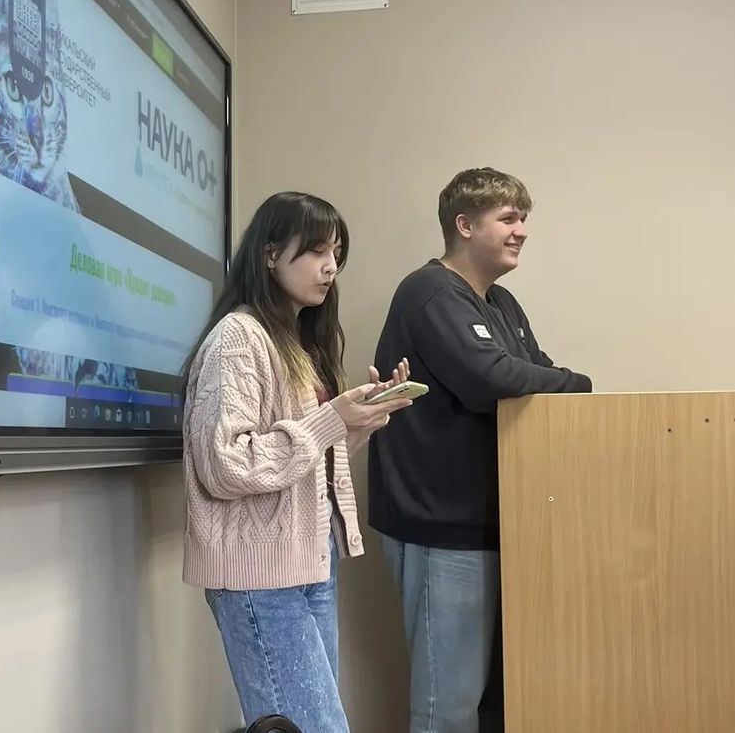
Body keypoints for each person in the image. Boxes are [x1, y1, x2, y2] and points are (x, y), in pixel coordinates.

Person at [368, 168, 592, 733]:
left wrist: (555, 381)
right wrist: (578, 382)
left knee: (493, 706)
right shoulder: (428, 292)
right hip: (440, 528)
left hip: (498, 522)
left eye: (523, 219)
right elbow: (492, 380)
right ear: (464, 225)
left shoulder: (501, 303)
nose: (522, 231)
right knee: (450, 705)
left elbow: (535, 375)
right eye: (508, 218)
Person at [182, 191, 412, 733]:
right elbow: (226, 464)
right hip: (261, 575)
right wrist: (332, 418)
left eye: (337, 254)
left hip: (310, 561)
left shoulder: (295, 340)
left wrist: (356, 423)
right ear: (270, 254)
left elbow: (299, 466)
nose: (330, 267)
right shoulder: (238, 337)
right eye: (315, 251)